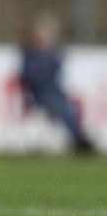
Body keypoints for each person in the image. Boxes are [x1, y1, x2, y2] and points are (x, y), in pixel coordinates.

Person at [19, 15, 94, 153]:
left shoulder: (52, 55)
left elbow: (56, 70)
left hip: (55, 94)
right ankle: (79, 140)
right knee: (67, 111)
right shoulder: (29, 55)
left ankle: (79, 139)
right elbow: (28, 77)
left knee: (73, 109)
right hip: (40, 96)